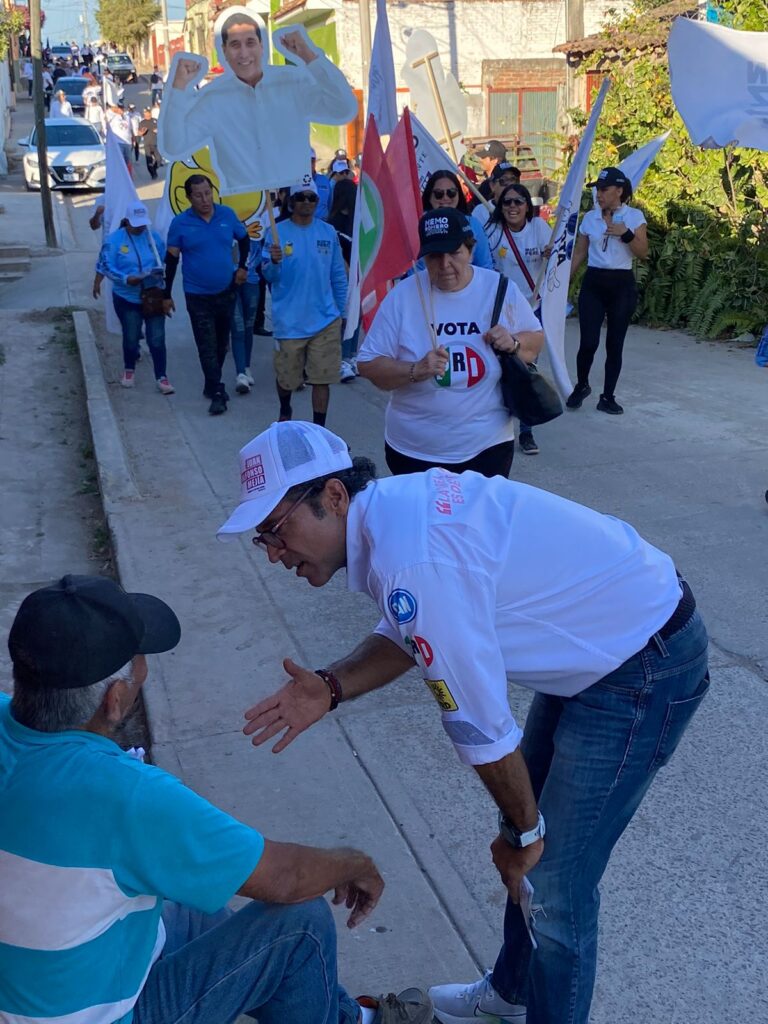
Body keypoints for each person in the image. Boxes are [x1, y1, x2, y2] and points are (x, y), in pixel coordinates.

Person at [216, 419, 711, 1024]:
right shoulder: (391, 518)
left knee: (553, 882)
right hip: (603, 644)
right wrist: (332, 685)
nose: (272, 552)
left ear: (335, 496)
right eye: (261, 538)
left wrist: (522, 836)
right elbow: (410, 629)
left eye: (275, 529)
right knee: (532, 852)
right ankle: (512, 994)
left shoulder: (413, 559)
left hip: (642, 662)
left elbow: (481, 728)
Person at [1, 572, 434, 1024]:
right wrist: (355, 864)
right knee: (301, 924)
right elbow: (286, 877)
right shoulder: (125, 794)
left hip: (27, 991)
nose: (144, 668)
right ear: (114, 699)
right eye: (139, 659)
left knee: (190, 902)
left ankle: (343, 1017)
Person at [357, 208, 542, 479]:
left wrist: (513, 342)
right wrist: (414, 370)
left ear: (470, 250)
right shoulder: (403, 297)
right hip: (415, 451)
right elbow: (368, 364)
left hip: (487, 447)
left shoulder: (499, 289)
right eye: (434, 256)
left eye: (454, 253)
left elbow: (535, 342)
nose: (444, 265)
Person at [158, 14, 357, 193]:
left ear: (262, 47)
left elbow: (343, 108)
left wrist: (309, 56)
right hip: (245, 207)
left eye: (250, 42)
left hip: (295, 199)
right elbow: (175, 146)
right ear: (224, 51)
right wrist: (178, 88)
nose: (244, 53)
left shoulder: (292, 84)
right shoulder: (213, 99)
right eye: (235, 45)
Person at [262, 179, 347, 426]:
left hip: (325, 320)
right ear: (291, 201)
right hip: (289, 322)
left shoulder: (328, 232)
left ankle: (319, 428)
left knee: (322, 379)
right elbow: (269, 276)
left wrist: (342, 312)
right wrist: (274, 262)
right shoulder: (276, 233)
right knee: (287, 379)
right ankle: (285, 408)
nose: (307, 202)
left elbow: (338, 276)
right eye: (301, 197)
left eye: (312, 198)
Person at [566, 166, 649, 415]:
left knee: (614, 343)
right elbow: (579, 253)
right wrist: (562, 283)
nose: (599, 194)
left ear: (619, 191)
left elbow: (643, 253)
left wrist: (626, 234)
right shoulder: (590, 218)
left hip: (621, 284)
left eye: (604, 189)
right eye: (597, 190)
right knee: (588, 341)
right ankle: (581, 385)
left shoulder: (634, 216)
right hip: (594, 282)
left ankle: (607, 397)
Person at [164, 174, 249, 415]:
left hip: (226, 291)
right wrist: (166, 294)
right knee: (206, 344)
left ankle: (211, 382)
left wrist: (243, 267)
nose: (205, 200)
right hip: (197, 294)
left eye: (208, 193)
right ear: (189, 198)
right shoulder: (180, 223)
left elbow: (244, 240)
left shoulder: (227, 215)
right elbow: (171, 260)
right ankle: (218, 391)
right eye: (198, 196)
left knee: (221, 344)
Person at [485, 183, 552, 456]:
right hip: (500, 309)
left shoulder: (540, 228)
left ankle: (526, 430)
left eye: (518, 201)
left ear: (527, 205)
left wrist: (552, 254)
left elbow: (558, 259)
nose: (512, 206)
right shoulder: (493, 232)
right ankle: (496, 424)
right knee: (498, 367)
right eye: (507, 202)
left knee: (526, 366)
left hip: (532, 308)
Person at [102, 202, 174, 394]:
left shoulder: (153, 238)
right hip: (127, 297)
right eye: (136, 223)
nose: (140, 227)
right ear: (126, 221)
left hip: (153, 295)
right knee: (131, 336)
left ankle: (161, 376)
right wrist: (126, 278)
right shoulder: (114, 240)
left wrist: (163, 285)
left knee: (157, 337)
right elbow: (106, 265)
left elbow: (165, 261)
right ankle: (129, 368)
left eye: (142, 223)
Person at [421, 169, 493, 270]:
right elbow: (412, 269)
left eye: (451, 193)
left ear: (459, 194)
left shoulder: (473, 225)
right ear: (429, 196)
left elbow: (485, 266)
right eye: (438, 194)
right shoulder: (418, 224)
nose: (445, 198)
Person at [328, 178, 358, 382]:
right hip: (343, 276)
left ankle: (352, 356)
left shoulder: (359, 221)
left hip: (357, 275)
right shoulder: (333, 224)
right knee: (345, 318)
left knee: (356, 317)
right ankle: (342, 359)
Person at [230, 227, 267, 395]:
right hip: (229, 282)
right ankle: (241, 373)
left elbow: (265, 251)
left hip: (251, 281)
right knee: (238, 328)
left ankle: (246, 367)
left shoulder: (260, 221)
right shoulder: (224, 220)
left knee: (248, 327)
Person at [472, 162, 521, 230]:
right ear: (492, 186)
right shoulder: (480, 211)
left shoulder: (523, 207)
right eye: (503, 180)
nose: (510, 184)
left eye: (513, 179)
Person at [106, 103, 134, 169]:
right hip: (118, 142)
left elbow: (130, 129)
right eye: (120, 108)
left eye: (122, 108)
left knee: (128, 160)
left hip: (128, 142)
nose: (121, 110)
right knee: (120, 160)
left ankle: (128, 174)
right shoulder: (113, 117)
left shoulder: (127, 117)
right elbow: (107, 123)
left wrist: (133, 139)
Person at [137, 106, 160, 178]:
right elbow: (139, 133)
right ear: (144, 114)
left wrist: (158, 131)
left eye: (149, 112)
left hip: (155, 143)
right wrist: (142, 132)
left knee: (159, 159)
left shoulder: (155, 120)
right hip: (147, 144)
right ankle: (153, 174)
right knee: (149, 160)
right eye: (146, 113)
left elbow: (161, 129)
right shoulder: (142, 123)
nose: (148, 114)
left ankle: (154, 169)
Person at [311, 146, 332, 220]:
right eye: (306, 160)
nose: (310, 164)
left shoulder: (324, 180)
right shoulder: (296, 182)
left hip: (323, 222)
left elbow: (330, 203)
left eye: (312, 161)